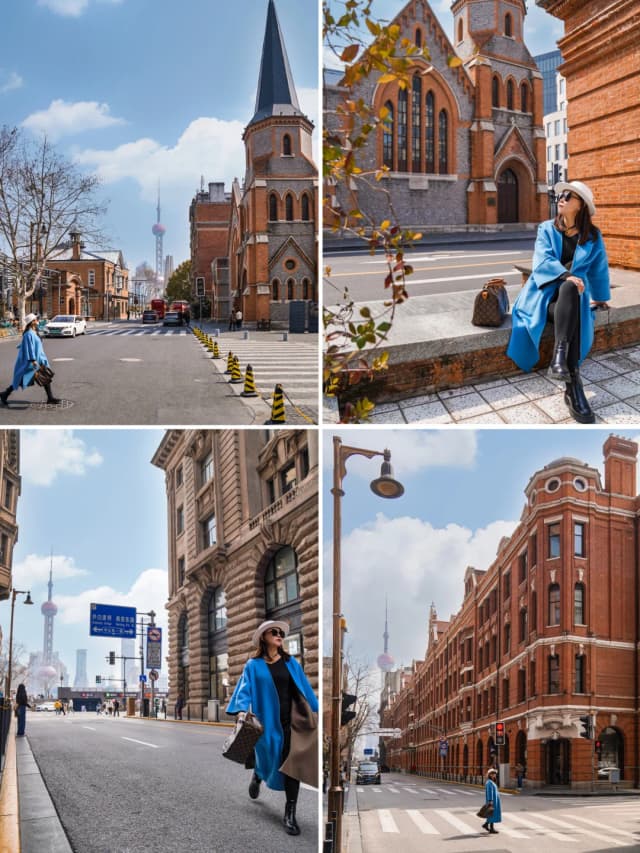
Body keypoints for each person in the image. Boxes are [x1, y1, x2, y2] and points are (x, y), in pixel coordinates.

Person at [507, 180, 610, 424]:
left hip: (570, 299)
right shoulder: (546, 229)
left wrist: (601, 298)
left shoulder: (593, 236)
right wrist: (567, 276)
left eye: (568, 196)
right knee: (571, 287)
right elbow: (541, 261)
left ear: (581, 206)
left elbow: (599, 269)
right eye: (561, 195)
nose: (561, 199)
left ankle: (563, 366)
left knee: (571, 291)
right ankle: (573, 384)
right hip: (542, 296)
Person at [227, 619, 318, 837]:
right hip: (266, 721)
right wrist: (241, 709)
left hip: (292, 722)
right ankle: (258, 774)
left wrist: (316, 710)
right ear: (264, 637)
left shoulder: (290, 662)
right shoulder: (254, 665)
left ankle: (290, 813)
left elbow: (304, 686)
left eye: (281, 633)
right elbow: (244, 689)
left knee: (292, 764)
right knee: (268, 757)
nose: (279, 635)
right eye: (274, 632)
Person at [0, 313, 60, 406]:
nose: (38, 321)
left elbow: (29, 344)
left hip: (39, 359)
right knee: (22, 379)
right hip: (32, 362)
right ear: (32, 322)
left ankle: (50, 398)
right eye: (36, 319)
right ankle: (5, 394)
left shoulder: (34, 331)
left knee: (45, 378)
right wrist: (33, 360)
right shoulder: (28, 334)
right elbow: (30, 347)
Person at [482, 767, 502, 834]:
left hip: (494, 800)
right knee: (491, 814)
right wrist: (490, 800)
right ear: (490, 774)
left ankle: (486, 825)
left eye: (495, 774)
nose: (494, 775)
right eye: (493, 773)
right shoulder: (489, 783)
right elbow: (489, 792)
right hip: (492, 800)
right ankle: (491, 828)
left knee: (491, 814)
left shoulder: (491, 782)